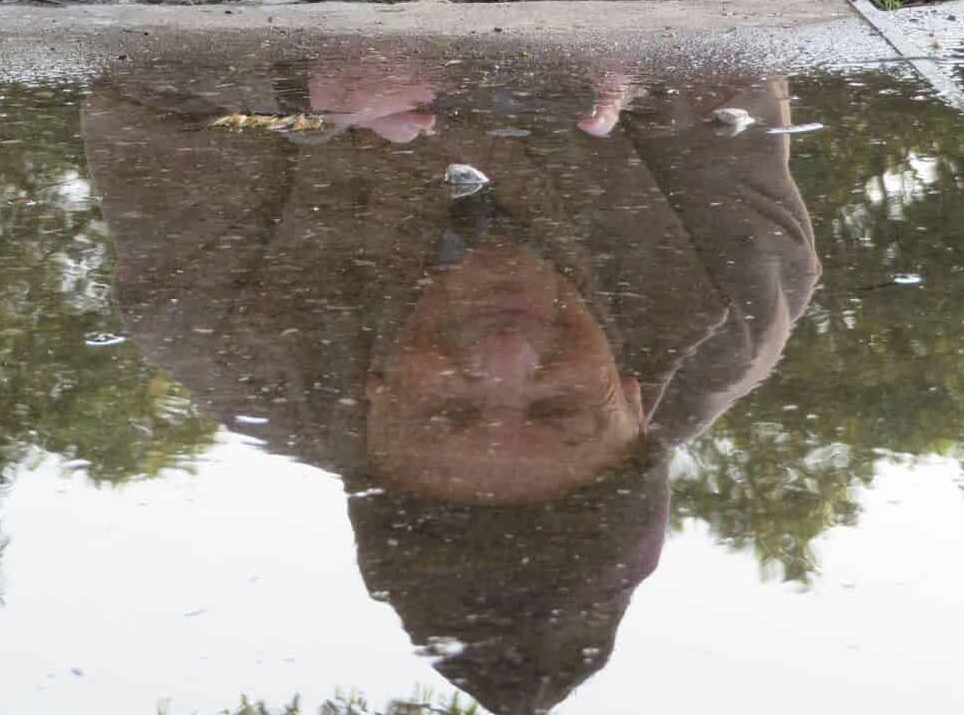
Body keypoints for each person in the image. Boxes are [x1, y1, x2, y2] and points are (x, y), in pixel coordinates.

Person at [81, 57, 820, 713]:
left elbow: (139, 89)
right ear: (633, 401)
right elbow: (733, 62)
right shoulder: (737, 304)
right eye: (559, 407)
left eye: (448, 412)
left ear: (370, 409)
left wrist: (298, 85)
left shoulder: (225, 334)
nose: (505, 358)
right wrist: (639, 70)